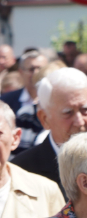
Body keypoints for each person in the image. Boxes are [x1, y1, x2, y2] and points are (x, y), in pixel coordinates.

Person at [11, 66, 87, 194]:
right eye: (68, 113)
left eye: (85, 110)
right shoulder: (23, 171)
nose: (79, 121)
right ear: (44, 119)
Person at [0, 49, 48, 147]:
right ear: (21, 72)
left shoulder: (54, 101)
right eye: (31, 69)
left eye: (40, 69)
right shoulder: (6, 101)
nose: (36, 73)